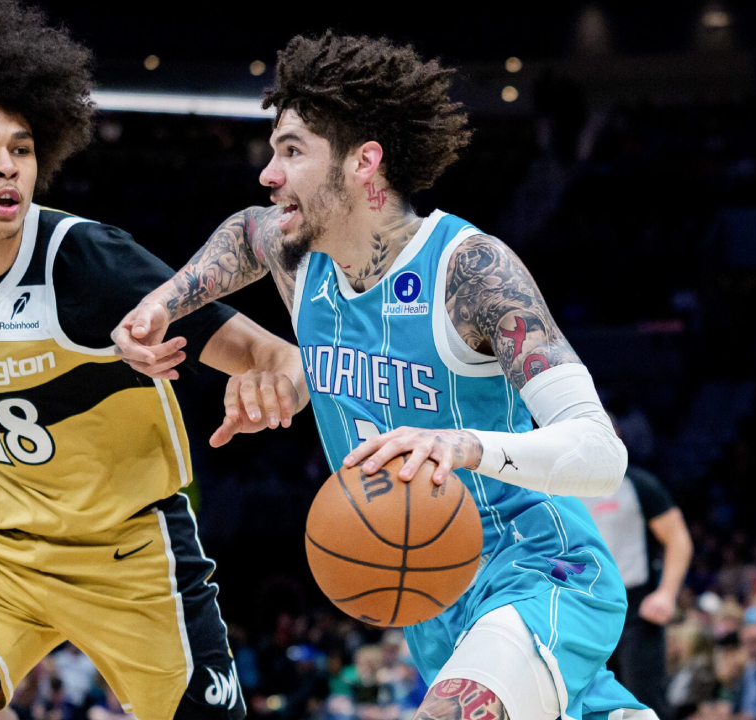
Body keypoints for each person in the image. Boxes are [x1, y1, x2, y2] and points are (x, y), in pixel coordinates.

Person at [115, 31, 655, 720]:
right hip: (434, 602)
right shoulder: (300, 262)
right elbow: (242, 234)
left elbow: (602, 454)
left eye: (292, 151)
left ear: (364, 162)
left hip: (538, 570)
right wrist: (162, 305)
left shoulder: (471, 272)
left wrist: (462, 446)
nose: (269, 173)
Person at [0, 2, 301, 719]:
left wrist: (276, 387)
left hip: (129, 558)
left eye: (21, 147)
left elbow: (272, 355)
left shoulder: (86, 265)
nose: (7, 166)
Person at [581, 460, 693, 718]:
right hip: (587, 611)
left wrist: (666, 593)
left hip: (637, 610)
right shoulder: (560, 489)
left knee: (644, 701)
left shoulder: (637, 484)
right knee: (591, 704)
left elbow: (678, 538)